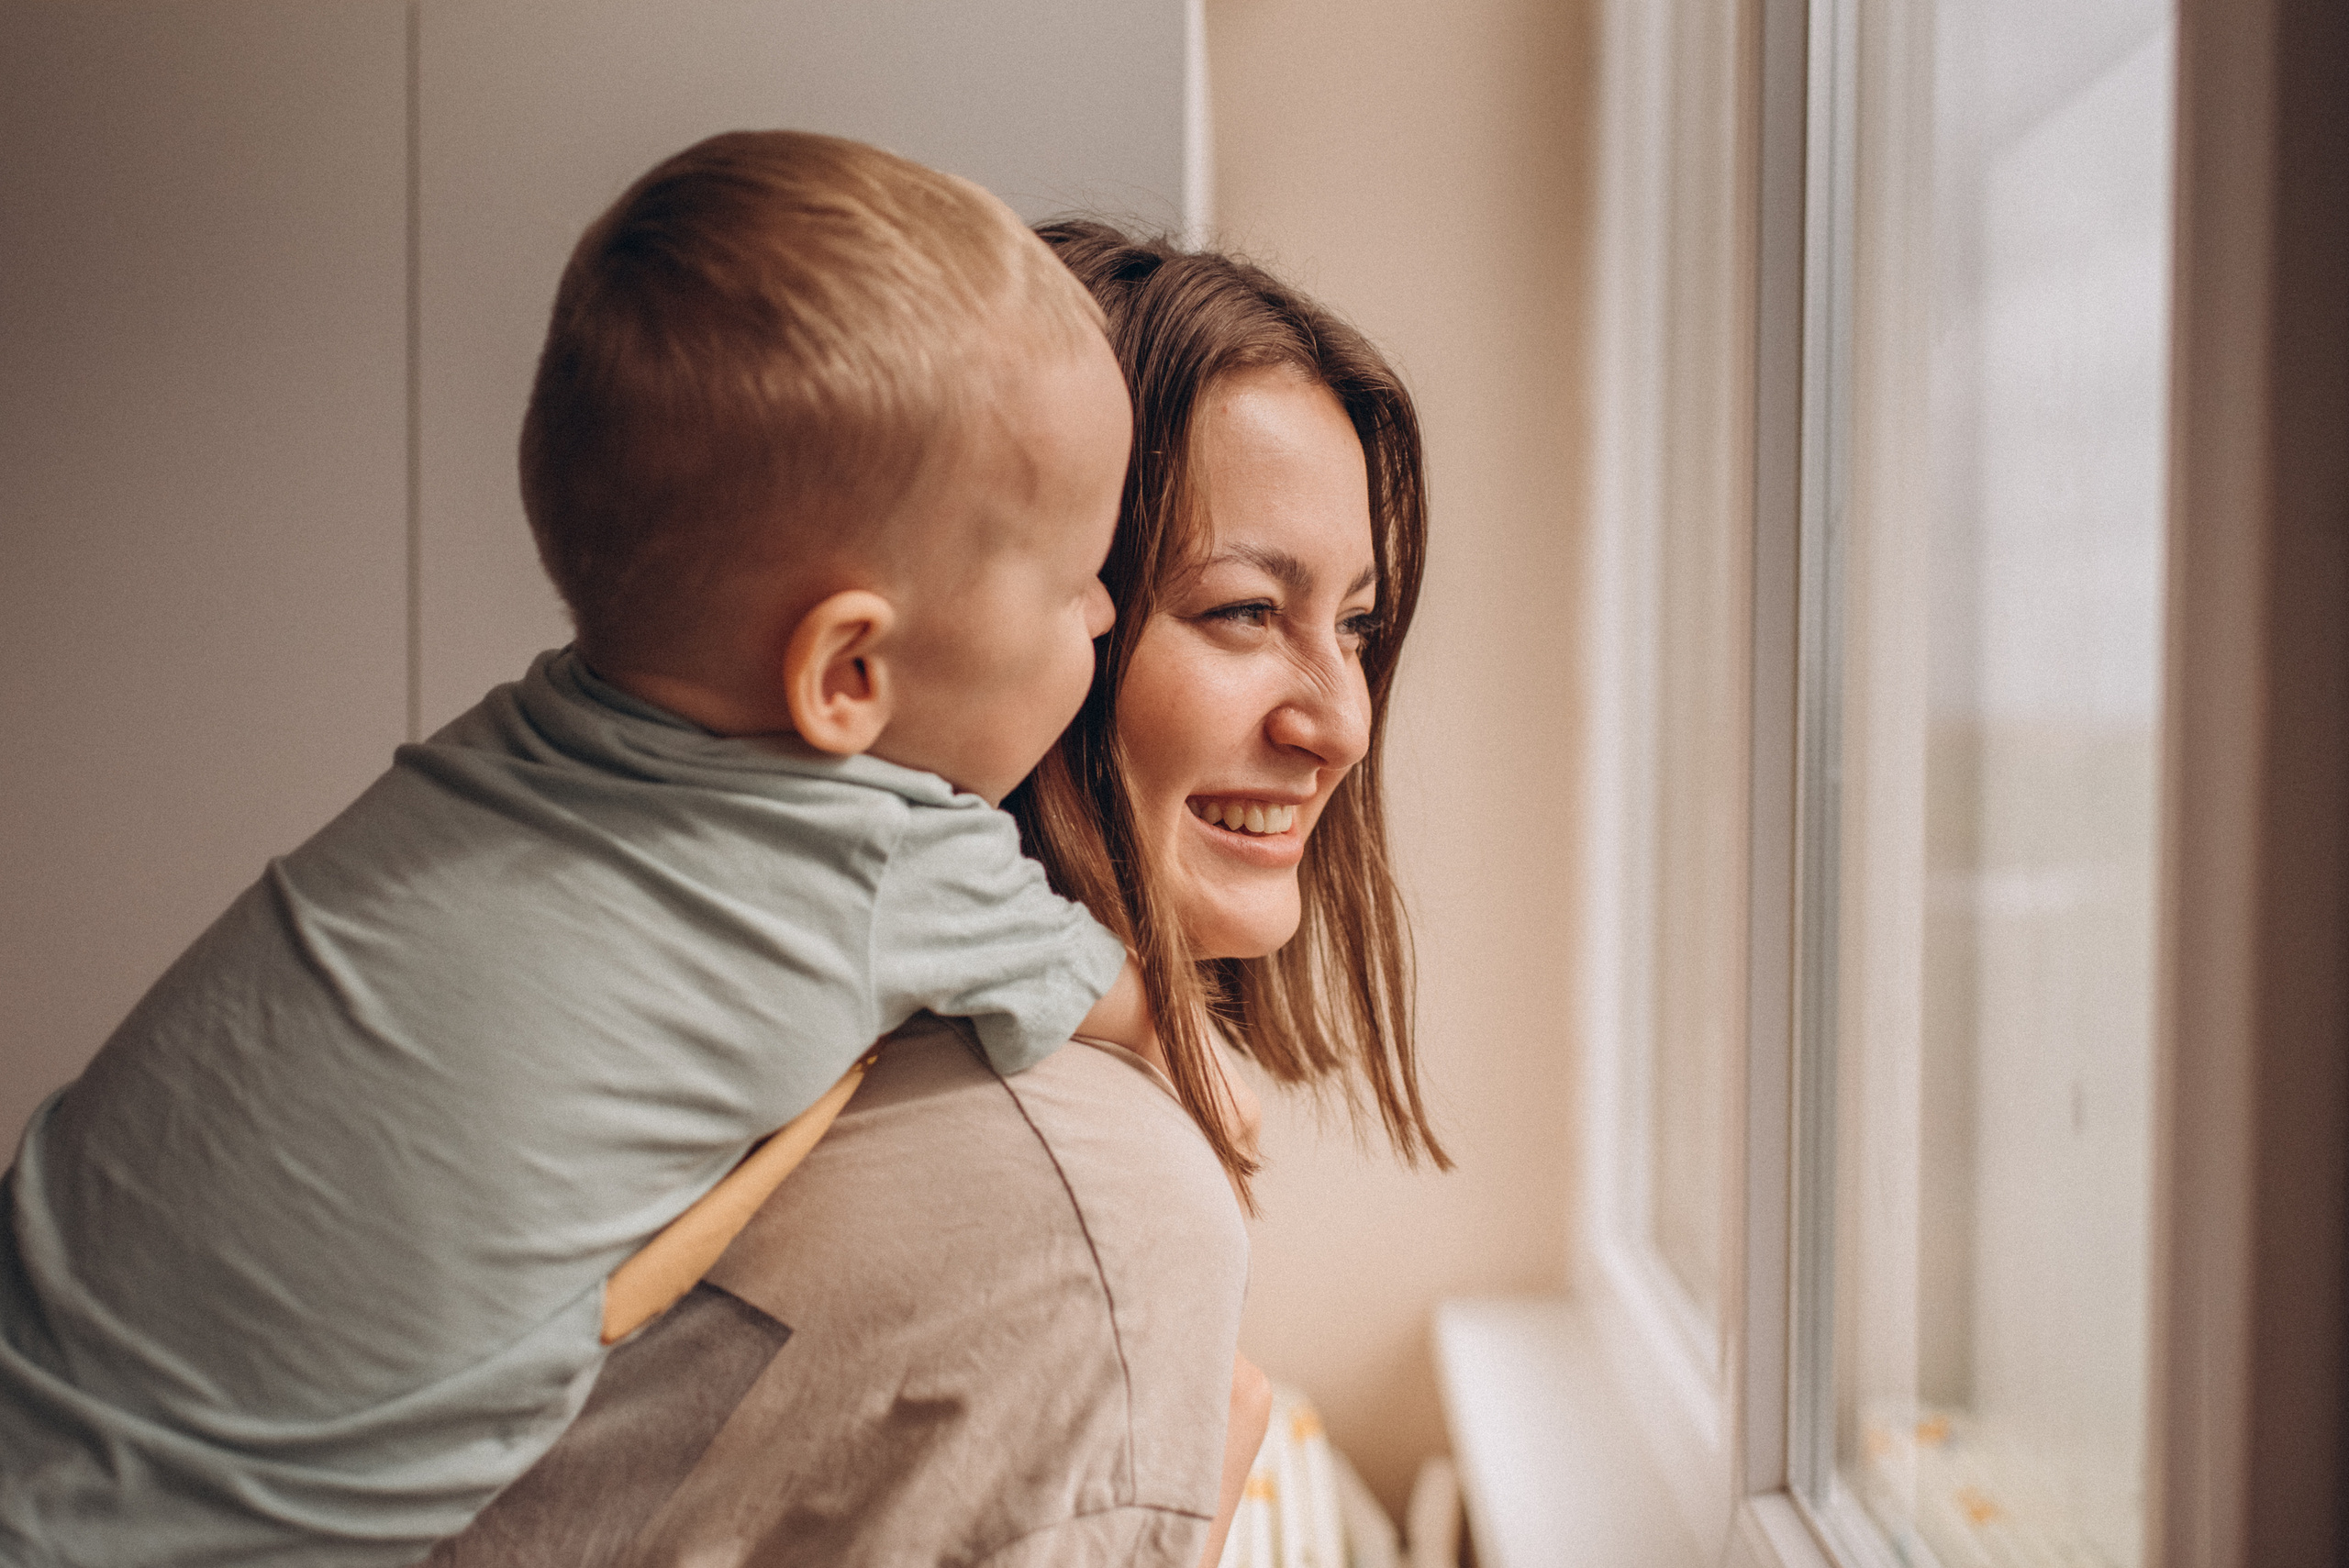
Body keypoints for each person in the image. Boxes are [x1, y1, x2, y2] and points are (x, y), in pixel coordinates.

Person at [0, 133, 1166, 1567]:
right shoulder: (889, 858)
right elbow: (1149, 1022)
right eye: (1077, 582)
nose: (1104, 618)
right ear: (848, 674)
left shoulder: (522, 735)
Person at [428, 221, 1449, 1568]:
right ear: (1007, 614)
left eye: (1357, 625)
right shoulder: (1104, 1200)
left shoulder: (778, 1012)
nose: (1343, 722)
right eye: (1244, 612)